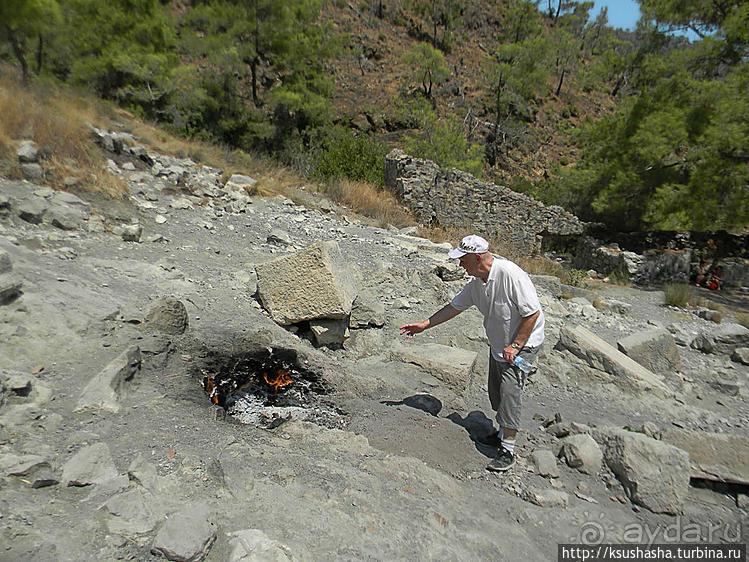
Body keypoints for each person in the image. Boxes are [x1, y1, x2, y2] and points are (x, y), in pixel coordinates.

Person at [400, 234, 545, 472]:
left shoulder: (510, 274)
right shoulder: (477, 283)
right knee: (496, 392)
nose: (460, 265)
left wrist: (516, 345)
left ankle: (507, 450)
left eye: (463, 260)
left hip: (522, 346)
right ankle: (501, 433)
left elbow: (532, 314)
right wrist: (424, 325)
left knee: (510, 392)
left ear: (478, 258)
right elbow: (453, 308)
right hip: (499, 344)